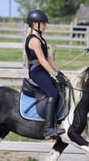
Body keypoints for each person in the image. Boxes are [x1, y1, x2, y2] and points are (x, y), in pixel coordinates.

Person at [24, 9, 69, 138]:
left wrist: (59, 73)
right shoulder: (34, 40)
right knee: (53, 93)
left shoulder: (41, 39)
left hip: (43, 69)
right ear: (34, 24)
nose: (45, 26)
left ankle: (58, 121)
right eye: (43, 23)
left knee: (60, 89)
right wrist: (54, 74)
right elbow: (42, 61)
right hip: (37, 72)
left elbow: (49, 59)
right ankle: (48, 128)